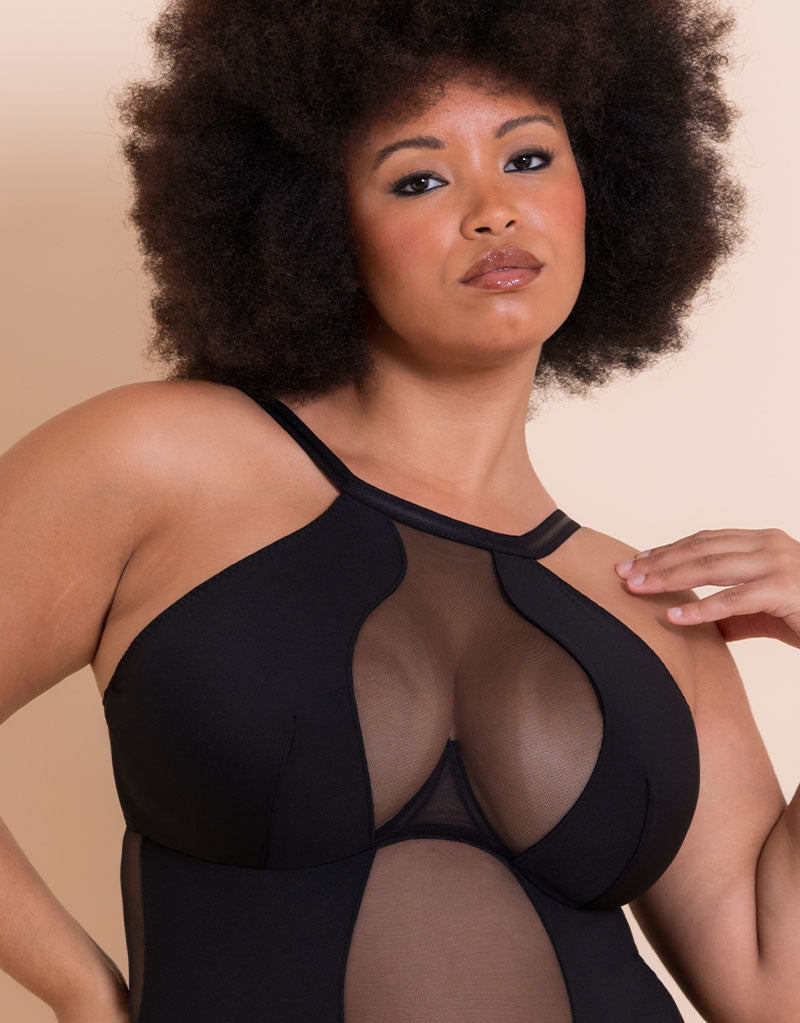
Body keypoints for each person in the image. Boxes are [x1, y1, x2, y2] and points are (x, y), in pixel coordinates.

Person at [1, 0, 799, 1020]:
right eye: (419, 177)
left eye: (528, 159)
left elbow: (773, 987)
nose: (493, 211)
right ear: (315, 223)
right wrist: (82, 992)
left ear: (604, 191)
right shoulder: (163, 464)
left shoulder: (650, 604)